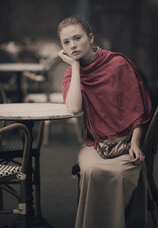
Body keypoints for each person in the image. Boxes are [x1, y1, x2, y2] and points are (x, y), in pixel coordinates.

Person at [57, 16, 152, 228]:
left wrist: (135, 143)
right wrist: (74, 67)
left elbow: (138, 110)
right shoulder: (71, 73)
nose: (72, 45)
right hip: (97, 143)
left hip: (127, 141)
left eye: (77, 38)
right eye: (66, 42)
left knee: (117, 172)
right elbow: (74, 108)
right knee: (91, 170)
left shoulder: (118, 64)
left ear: (90, 38)